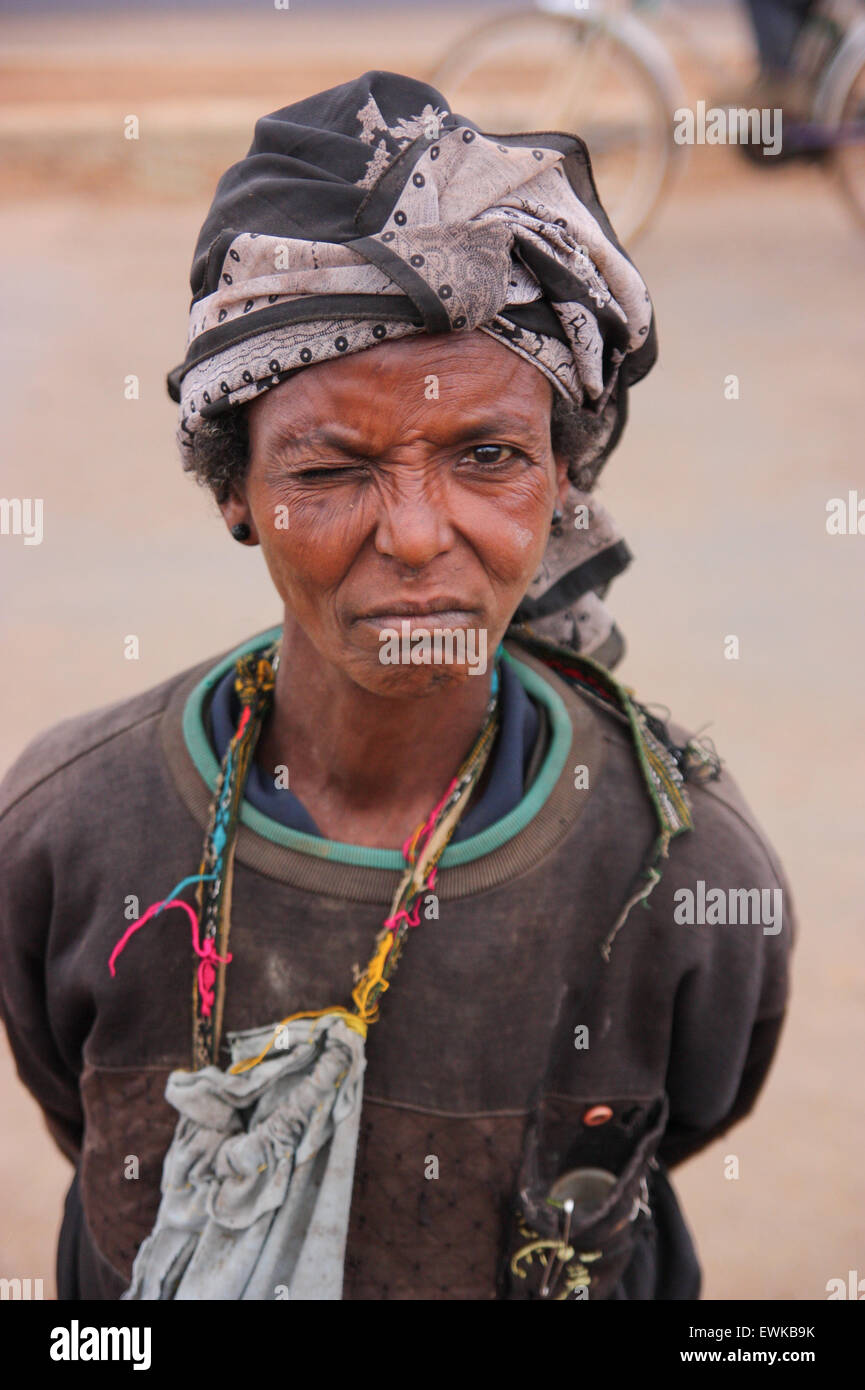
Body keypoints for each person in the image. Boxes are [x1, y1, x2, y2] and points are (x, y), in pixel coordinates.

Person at [0, 71, 794, 1301]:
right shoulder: (71, 831)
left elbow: (684, 1119)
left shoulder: (682, 870)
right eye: (332, 467)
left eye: (488, 456)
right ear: (233, 488)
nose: (420, 536)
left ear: (561, 480)